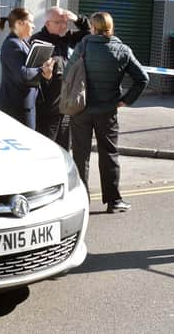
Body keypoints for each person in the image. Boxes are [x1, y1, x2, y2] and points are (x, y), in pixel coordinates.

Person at [65, 12, 149, 212]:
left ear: (93, 27)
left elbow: (68, 73)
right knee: (109, 154)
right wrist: (125, 100)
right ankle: (114, 201)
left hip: (81, 109)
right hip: (108, 111)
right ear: (111, 27)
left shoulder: (83, 45)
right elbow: (143, 78)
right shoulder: (122, 50)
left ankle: (81, 200)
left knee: (80, 155)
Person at [31, 7, 90, 150]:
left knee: (63, 150)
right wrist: (48, 76)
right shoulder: (38, 41)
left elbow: (89, 34)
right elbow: (32, 75)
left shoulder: (67, 38)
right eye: (58, 22)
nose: (63, 25)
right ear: (47, 24)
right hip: (47, 109)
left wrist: (77, 19)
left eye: (65, 22)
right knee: (46, 150)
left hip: (65, 108)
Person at [0, 7, 55, 128]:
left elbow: (31, 71)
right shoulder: (13, 44)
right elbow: (22, 74)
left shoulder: (23, 42)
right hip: (16, 108)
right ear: (19, 23)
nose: (34, 26)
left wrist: (47, 74)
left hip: (26, 105)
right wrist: (42, 69)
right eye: (31, 22)